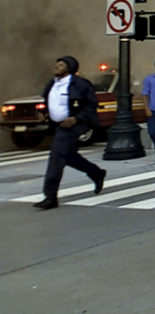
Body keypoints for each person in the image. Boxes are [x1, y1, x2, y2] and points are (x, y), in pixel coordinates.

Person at [33, 56, 106, 210]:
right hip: (57, 126)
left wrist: (75, 118)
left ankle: (50, 196)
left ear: (70, 68)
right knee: (69, 157)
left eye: (61, 65)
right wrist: (44, 113)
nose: (56, 67)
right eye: (56, 64)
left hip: (71, 126)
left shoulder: (79, 84)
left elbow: (92, 104)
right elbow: (46, 102)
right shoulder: (52, 84)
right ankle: (96, 172)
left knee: (56, 158)